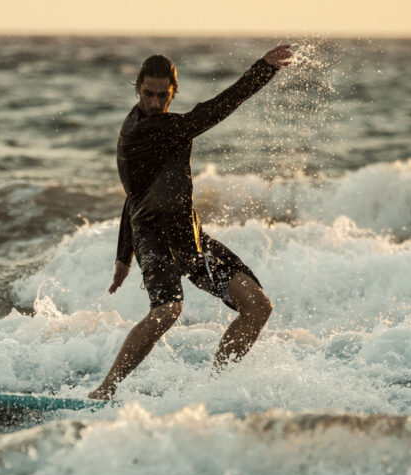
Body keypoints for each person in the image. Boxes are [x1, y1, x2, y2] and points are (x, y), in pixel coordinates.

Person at [89, 45, 293, 401]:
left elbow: (133, 193)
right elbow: (215, 110)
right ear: (137, 87)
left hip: (187, 236)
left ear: (173, 92)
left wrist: (122, 257)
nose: (154, 103)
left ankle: (215, 390)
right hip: (153, 236)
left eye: (162, 96)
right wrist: (263, 69)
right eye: (148, 94)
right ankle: (104, 390)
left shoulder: (160, 126)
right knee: (168, 309)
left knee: (258, 306)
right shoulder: (141, 132)